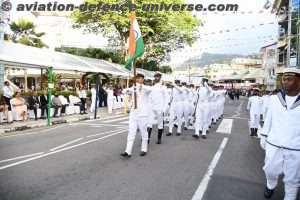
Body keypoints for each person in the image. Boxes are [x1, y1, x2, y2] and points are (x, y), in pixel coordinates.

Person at [260, 68, 300, 200]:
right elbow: (268, 119)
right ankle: (271, 184)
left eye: (289, 79)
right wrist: (264, 135)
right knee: (270, 169)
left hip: (296, 147)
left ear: (298, 82)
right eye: (284, 79)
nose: (285, 82)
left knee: (293, 178)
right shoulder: (274, 99)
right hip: (274, 143)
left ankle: (290, 196)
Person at [120, 74, 152, 157]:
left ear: (143, 79)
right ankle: (128, 151)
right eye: (136, 78)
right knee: (131, 132)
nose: (137, 79)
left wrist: (139, 86)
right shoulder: (134, 88)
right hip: (134, 113)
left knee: (143, 132)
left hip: (143, 114)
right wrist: (132, 88)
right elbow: (123, 91)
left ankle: (144, 149)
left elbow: (149, 89)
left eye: (139, 78)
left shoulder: (146, 88)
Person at [147, 73, 168, 144]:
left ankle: (159, 138)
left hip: (160, 107)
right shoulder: (152, 87)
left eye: (157, 77)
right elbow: (150, 98)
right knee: (149, 123)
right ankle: (147, 138)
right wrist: (149, 107)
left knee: (160, 123)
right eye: (155, 77)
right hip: (152, 107)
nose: (156, 78)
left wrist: (164, 109)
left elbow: (167, 99)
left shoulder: (163, 87)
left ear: (160, 78)